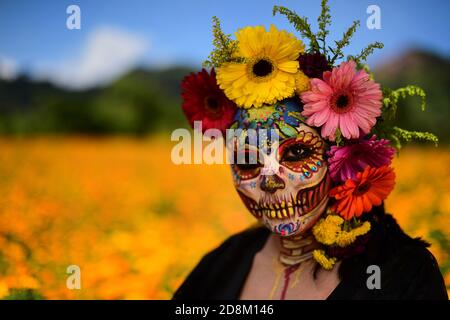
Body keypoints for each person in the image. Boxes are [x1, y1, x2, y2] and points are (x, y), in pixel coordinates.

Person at [173, 1, 448, 300]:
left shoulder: (401, 275)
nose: (270, 179)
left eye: (296, 154)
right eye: (248, 161)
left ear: (341, 157)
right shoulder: (219, 267)